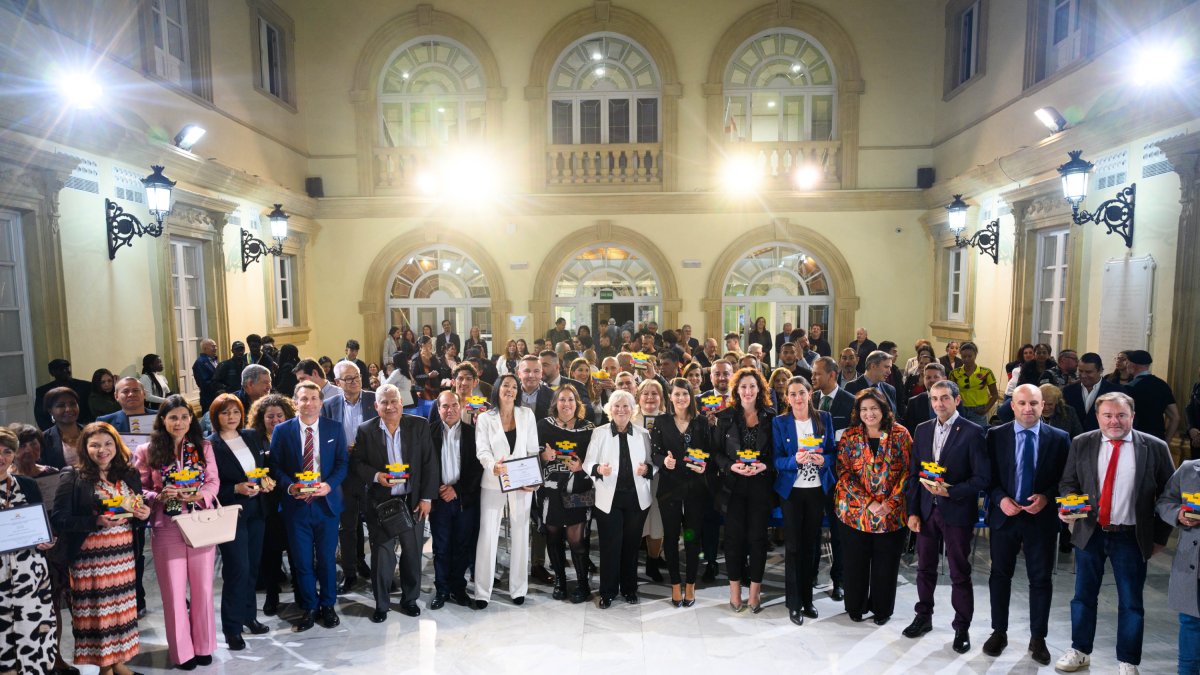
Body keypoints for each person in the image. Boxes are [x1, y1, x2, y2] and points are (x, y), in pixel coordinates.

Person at [1055, 392, 1174, 674]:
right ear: (1098, 417)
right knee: (1083, 596)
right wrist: (1068, 506)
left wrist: (1158, 537)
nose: (1114, 421)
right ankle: (1080, 650)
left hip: (1131, 536)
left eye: (1121, 415)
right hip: (1090, 532)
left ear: (1132, 416)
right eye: (1107, 415)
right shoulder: (1082, 443)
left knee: (1131, 602)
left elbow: (1170, 495)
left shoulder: (1154, 447)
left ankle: (1128, 661)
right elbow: (1068, 484)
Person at [981, 384, 1071, 666]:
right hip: (1005, 516)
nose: (1027, 409)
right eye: (1021, 403)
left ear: (1043, 405)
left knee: (1041, 579)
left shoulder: (1059, 438)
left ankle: (1038, 638)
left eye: (1033, 403)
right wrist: (999, 499)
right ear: (1012, 405)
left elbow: (1067, 480)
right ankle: (999, 631)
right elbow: (987, 477)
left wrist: (1047, 497)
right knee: (999, 575)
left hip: (1040, 519)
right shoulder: (995, 435)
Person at [53, 422, 150, 675]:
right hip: (91, 561)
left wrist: (144, 514)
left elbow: (137, 511)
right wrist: (94, 521)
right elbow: (60, 519)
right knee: (98, 617)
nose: (102, 450)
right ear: (85, 447)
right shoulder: (72, 475)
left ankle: (118, 663)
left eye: (108, 444)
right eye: (94, 444)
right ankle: (104, 668)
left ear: (116, 446)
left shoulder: (128, 473)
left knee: (121, 614)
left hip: (123, 557)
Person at [902, 380, 989, 652]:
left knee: (959, 572)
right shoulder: (923, 429)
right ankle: (923, 616)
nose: (939, 403)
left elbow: (982, 478)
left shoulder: (974, 432)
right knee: (924, 568)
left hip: (957, 512)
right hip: (927, 512)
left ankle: (962, 627)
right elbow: (915, 475)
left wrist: (952, 492)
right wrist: (913, 511)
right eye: (934, 398)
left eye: (944, 398)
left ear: (957, 400)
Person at [134, 395, 219, 669]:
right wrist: (159, 496)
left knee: (204, 588)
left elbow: (213, 481)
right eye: (173, 417)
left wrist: (198, 495)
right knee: (172, 593)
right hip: (167, 526)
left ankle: (204, 645)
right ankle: (183, 652)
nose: (179, 422)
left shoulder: (203, 447)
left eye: (184, 416)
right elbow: (140, 488)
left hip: (199, 523)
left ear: (191, 419)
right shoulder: (147, 451)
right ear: (163, 420)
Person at [270, 381, 350, 632]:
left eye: (314, 398)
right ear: (295, 402)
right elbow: (276, 467)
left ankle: (327, 605)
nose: (309, 403)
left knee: (326, 559)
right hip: (296, 507)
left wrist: (329, 485)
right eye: (304, 398)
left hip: (326, 505)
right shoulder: (282, 431)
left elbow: (342, 464)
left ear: (321, 402)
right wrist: (290, 487)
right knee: (302, 561)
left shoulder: (334, 428)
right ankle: (309, 606)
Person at [352, 383, 436, 622]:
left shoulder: (418, 425)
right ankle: (381, 604)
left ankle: (410, 600)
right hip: (381, 504)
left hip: (413, 502)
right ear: (376, 406)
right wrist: (377, 476)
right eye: (384, 402)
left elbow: (429, 462)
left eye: (394, 401)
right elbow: (356, 464)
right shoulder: (365, 430)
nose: (390, 406)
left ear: (402, 403)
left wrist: (427, 497)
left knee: (412, 553)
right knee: (382, 555)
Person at [835, 388, 912, 625]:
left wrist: (890, 503)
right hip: (856, 512)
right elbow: (844, 473)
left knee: (885, 566)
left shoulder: (900, 434)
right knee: (855, 563)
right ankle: (855, 607)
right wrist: (868, 502)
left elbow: (909, 471)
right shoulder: (850, 436)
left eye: (874, 408)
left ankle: (882, 610)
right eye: (864, 409)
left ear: (884, 409)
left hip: (891, 513)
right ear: (858, 412)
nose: (869, 414)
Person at [205, 394, 272, 650]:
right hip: (231, 513)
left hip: (257, 510)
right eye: (225, 413)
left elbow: (262, 467)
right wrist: (236, 488)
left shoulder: (252, 436)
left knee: (253, 567)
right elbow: (210, 484)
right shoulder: (210, 444)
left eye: (235, 412)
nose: (231, 417)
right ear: (216, 416)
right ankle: (232, 628)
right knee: (237, 569)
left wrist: (264, 482)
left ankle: (249, 617)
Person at [772, 376, 836, 625]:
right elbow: (776, 460)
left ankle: (808, 600)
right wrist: (794, 460)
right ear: (787, 398)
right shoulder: (780, 422)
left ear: (810, 394)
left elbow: (832, 452)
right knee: (794, 547)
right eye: (792, 394)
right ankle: (794, 602)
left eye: (802, 392)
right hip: (792, 492)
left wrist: (824, 460)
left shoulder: (824, 418)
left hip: (817, 490)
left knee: (812, 546)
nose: (798, 398)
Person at [473, 373, 539, 608]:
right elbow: (482, 450)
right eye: (505, 386)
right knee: (488, 534)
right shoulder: (485, 418)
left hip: (521, 482)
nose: (510, 390)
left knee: (521, 533)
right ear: (497, 389)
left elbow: (532, 450)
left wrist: (533, 478)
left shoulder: (526, 414)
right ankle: (482, 592)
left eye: (514, 386)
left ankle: (518, 589)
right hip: (493, 480)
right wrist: (493, 467)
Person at [584, 389, 653, 608]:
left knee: (631, 547)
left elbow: (654, 462)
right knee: (610, 546)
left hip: (637, 498)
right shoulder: (600, 433)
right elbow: (588, 463)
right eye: (616, 406)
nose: (621, 410)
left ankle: (629, 588)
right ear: (609, 409)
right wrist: (598, 469)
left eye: (625, 406)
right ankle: (608, 591)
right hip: (608, 499)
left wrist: (647, 469)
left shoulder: (643, 434)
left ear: (633, 410)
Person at [715, 367, 775, 612]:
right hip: (733, 487)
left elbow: (777, 453)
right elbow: (715, 454)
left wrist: (764, 465)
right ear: (736, 390)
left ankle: (754, 593)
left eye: (752, 386)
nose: (748, 391)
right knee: (733, 540)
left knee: (758, 540)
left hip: (761, 486)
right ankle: (735, 592)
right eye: (743, 387)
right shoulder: (724, 417)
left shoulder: (772, 417)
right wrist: (732, 467)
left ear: (759, 389)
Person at [0, 428, 60, 674]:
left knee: (33, 630)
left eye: (7, 451)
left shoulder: (26, 484)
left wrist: (47, 540)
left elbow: (41, 523)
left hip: (30, 570)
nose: (2, 457)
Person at [649, 378, 713, 607]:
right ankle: (675, 584)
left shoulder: (702, 422)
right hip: (669, 490)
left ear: (691, 396)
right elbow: (654, 454)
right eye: (677, 394)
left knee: (692, 538)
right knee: (672, 537)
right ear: (671, 397)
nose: (681, 398)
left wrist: (705, 464)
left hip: (696, 489)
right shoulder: (662, 421)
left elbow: (710, 453)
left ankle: (690, 585)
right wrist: (663, 460)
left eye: (685, 394)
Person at [535, 385, 596, 603]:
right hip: (550, 490)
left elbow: (595, 457)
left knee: (577, 539)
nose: (566, 404)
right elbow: (532, 454)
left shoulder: (589, 428)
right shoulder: (543, 425)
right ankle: (560, 581)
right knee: (553, 535)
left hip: (578, 488)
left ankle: (582, 584)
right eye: (562, 400)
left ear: (577, 403)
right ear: (555, 403)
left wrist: (582, 467)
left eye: (571, 400)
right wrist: (544, 457)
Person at [323, 361, 378, 592]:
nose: (355, 381)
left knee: (376, 524)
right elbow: (325, 437)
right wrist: (339, 448)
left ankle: (379, 572)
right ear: (337, 383)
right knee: (347, 526)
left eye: (357, 376)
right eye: (348, 378)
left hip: (372, 469)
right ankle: (350, 572)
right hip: (344, 472)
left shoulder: (374, 399)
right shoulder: (329, 405)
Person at [428, 390, 483, 609]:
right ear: (438, 409)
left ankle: (458, 589)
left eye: (453, 405)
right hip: (439, 500)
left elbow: (477, 468)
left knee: (462, 546)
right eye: (444, 406)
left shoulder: (473, 434)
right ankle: (441, 589)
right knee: (441, 547)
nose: (449, 410)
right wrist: (438, 490)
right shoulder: (428, 432)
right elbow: (424, 466)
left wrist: (457, 490)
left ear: (460, 407)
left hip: (464, 500)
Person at [246, 393, 296, 616]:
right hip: (266, 503)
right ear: (260, 418)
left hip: (292, 500)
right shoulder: (254, 440)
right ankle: (272, 595)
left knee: (297, 551)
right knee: (271, 552)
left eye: (279, 415)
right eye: (270, 416)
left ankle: (302, 593)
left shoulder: (294, 434)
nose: (275, 420)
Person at [1156, 455, 1200, 674]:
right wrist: (1179, 514)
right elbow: (1165, 501)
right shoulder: (1189, 469)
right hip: (1192, 566)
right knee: (1191, 623)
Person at [1123, 349, 1181, 443]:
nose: (1126, 365)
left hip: (1136, 438)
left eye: (1127, 362)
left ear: (1132, 365)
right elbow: (1175, 417)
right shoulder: (1162, 385)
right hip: (1157, 438)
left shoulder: (1129, 388)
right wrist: (1166, 441)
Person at [1063, 352, 1121, 433]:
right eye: (1080, 371)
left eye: (1088, 372)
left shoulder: (1116, 392)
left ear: (1100, 370)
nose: (1083, 375)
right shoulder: (1068, 391)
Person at [949, 342, 998, 427]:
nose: (967, 359)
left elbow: (995, 395)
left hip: (978, 410)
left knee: (978, 436)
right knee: (961, 437)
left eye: (970, 356)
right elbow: (950, 393)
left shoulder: (986, 372)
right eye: (964, 357)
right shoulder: (954, 373)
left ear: (975, 355)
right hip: (960, 409)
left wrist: (985, 410)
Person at [35, 358, 94, 429]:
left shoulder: (85, 386)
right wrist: (54, 431)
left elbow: (91, 411)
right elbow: (41, 416)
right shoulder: (43, 391)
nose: (65, 371)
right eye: (60, 369)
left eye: (67, 368)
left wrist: (85, 427)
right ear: (52, 372)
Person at [41, 387, 83, 469]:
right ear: (50, 411)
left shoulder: (91, 432)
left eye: (72, 404)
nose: (68, 409)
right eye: (61, 406)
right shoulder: (44, 440)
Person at [904, 363, 947, 434]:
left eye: (936, 377)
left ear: (944, 379)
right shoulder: (913, 402)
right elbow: (910, 430)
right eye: (928, 377)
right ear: (924, 379)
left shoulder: (954, 400)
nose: (932, 380)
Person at [192, 339, 220, 412]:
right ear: (205, 349)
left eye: (216, 346)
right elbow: (204, 383)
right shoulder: (200, 363)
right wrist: (219, 387)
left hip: (217, 397)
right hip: (208, 399)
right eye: (213, 347)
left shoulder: (214, 360)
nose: (215, 348)